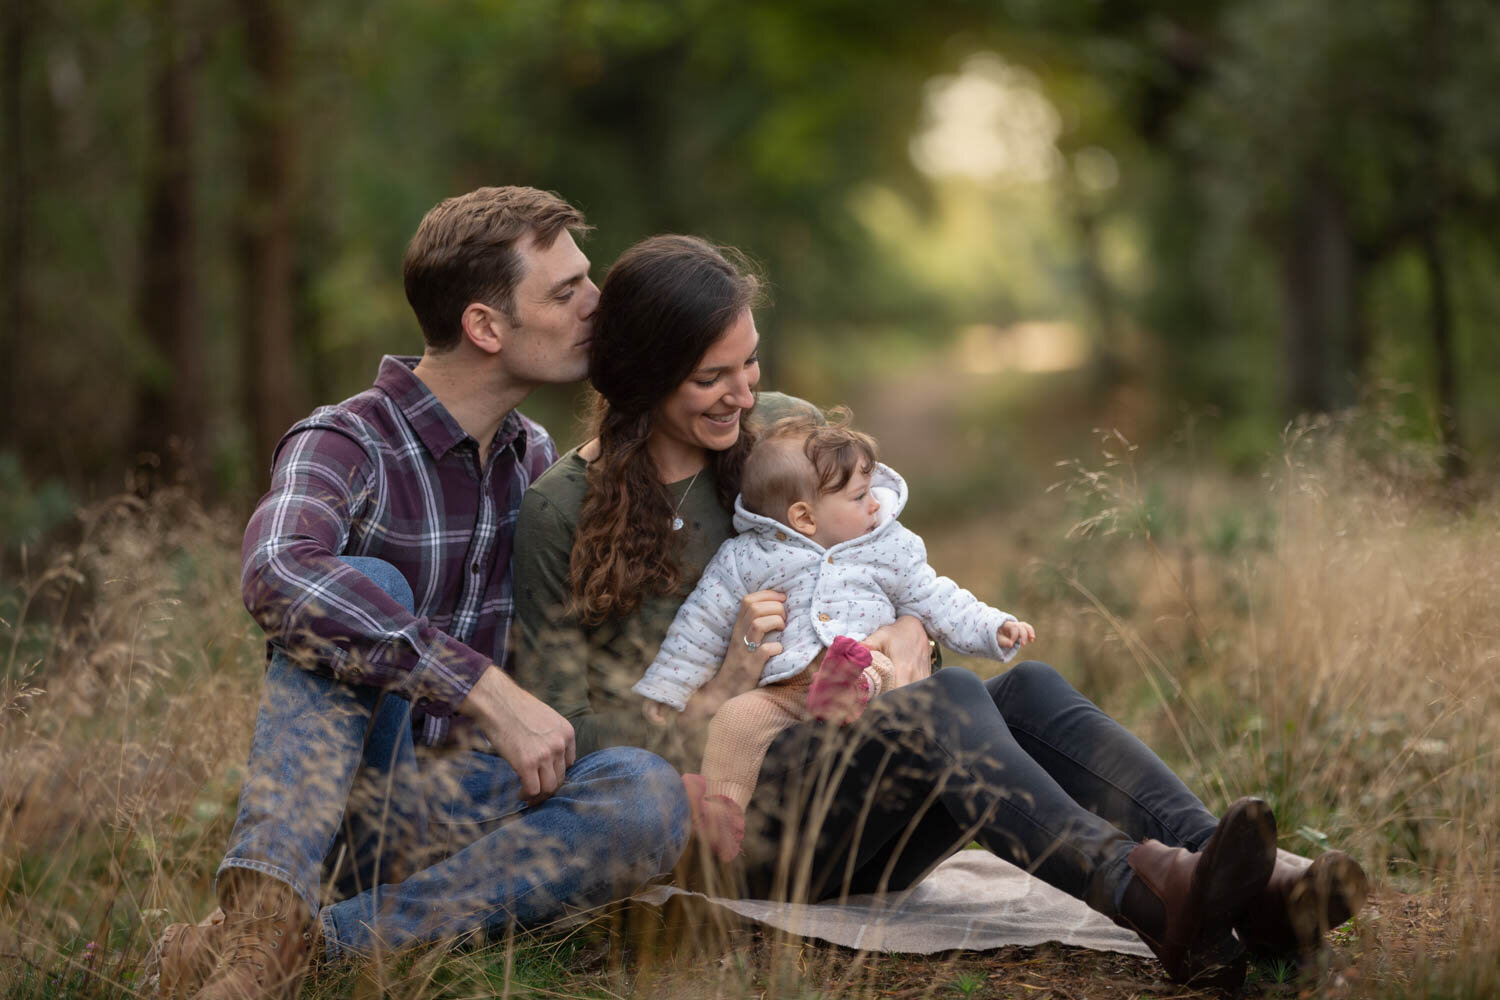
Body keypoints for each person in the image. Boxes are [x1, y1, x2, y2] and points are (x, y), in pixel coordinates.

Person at [512, 233, 1368, 991]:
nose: (742, 395)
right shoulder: (564, 510)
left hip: (862, 772)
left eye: (750, 364)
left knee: (1025, 687)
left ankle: (1243, 880)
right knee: (955, 705)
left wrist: (910, 631)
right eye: (711, 377)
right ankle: (1146, 894)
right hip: (739, 831)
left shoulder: (781, 439)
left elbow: (879, 560)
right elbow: (566, 739)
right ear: (645, 376)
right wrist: (731, 679)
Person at [145, 188, 690, 1000]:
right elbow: (277, 571)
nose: (596, 305)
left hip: (469, 807)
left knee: (644, 794)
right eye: (567, 290)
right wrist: (478, 684)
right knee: (363, 582)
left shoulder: (534, 458)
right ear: (485, 327)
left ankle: (308, 947)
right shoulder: (347, 439)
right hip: (344, 807)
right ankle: (264, 918)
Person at [634, 413, 1037, 822]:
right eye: (860, 496)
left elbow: (936, 597)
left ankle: (848, 687)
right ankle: (722, 813)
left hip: (865, 673)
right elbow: (701, 625)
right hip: (784, 690)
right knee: (734, 722)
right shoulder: (747, 557)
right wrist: (669, 687)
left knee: (872, 661)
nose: (875, 503)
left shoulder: (886, 545)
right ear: (804, 517)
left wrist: (991, 626)